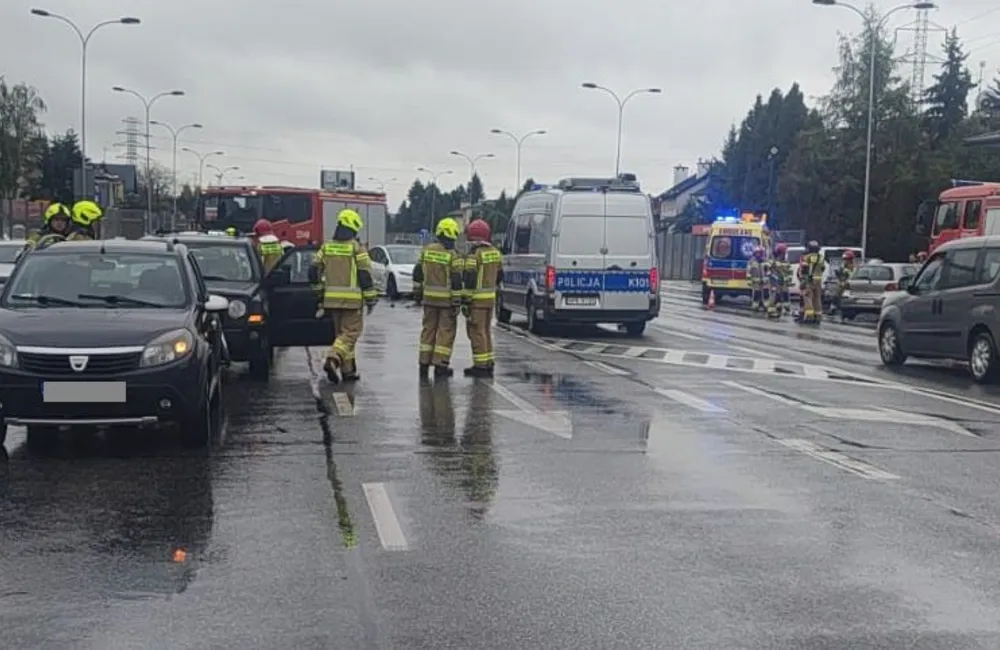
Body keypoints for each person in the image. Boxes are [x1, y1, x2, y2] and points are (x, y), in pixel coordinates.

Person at [309, 209, 377, 383]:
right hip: (352, 302)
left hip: (331, 301)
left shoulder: (327, 247)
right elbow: (364, 275)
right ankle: (332, 359)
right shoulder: (356, 248)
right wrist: (371, 298)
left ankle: (348, 372)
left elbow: (313, 270)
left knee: (342, 335)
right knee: (350, 334)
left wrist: (319, 291)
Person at [412, 217, 463, 379]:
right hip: (446, 302)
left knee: (428, 330)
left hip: (428, 300)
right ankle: (441, 365)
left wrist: (417, 292)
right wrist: (457, 301)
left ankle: (423, 364)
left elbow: (418, 272)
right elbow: (455, 280)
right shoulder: (452, 255)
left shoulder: (426, 251)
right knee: (445, 332)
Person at [460, 219, 503, 377]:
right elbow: (500, 276)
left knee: (476, 332)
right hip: (490, 299)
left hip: (477, 301)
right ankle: (488, 362)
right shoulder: (496, 253)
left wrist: (465, 301)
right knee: (485, 331)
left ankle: (480, 366)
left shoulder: (474, 255)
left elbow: (470, 279)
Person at [797, 240, 825, 325]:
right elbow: (823, 268)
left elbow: (804, 270)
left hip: (809, 281)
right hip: (818, 281)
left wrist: (803, 280)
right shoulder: (821, 258)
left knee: (808, 298)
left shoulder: (807, 257)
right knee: (817, 299)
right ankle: (818, 316)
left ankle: (809, 317)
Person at [765, 243, 790, 319]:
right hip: (774, 282)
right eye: (784, 252)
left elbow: (788, 272)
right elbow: (766, 268)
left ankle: (778, 309)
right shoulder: (773, 261)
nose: (785, 254)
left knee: (779, 296)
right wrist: (771, 275)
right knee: (773, 296)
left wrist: (788, 281)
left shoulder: (786, 262)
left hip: (782, 283)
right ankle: (771, 311)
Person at [831, 250, 856, 317]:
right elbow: (840, 275)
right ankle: (834, 308)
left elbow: (852, 276)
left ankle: (842, 309)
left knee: (844, 296)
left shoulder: (853, 267)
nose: (844, 261)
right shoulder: (843, 266)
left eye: (846, 259)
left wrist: (846, 275)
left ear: (850, 260)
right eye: (844, 259)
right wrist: (838, 274)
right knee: (836, 295)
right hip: (841, 283)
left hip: (848, 284)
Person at [748, 246, 766, 312]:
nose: (759, 255)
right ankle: (755, 306)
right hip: (756, 283)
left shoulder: (765, 262)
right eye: (757, 253)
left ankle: (765, 306)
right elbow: (749, 272)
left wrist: (766, 279)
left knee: (765, 295)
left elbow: (768, 272)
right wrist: (750, 281)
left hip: (764, 283)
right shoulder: (752, 262)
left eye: (760, 253)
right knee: (756, 294)